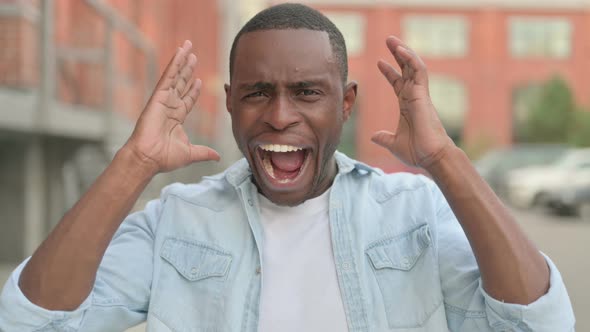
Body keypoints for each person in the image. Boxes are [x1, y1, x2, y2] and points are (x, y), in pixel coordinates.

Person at [0, 3, 575, 332]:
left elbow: (538, 322)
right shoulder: (178, 220)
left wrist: (444, 159)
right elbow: (29, 321)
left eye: (306, 92)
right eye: (256, 93)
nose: (279, 116)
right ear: (228, 102)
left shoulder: (414, 212)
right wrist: (135, 162)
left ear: (345, 104)